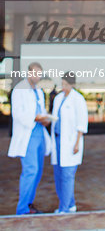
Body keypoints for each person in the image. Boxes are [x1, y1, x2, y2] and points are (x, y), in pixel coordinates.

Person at [8, 62, 51, 215]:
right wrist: (35, 117)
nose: (37, 76)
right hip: (28, 134)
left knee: (37, 171)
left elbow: (41, 109)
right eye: (35, 73)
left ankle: (29, 204)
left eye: (39, 73)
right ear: (29, 73)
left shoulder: (39, 90)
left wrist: (45, 119)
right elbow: (17, 114)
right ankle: (22, 209)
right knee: (30, 170)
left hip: (39, 133)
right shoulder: (19, 89)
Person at [51, 71, 88, 214]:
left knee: (67, 175)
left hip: (71, 142)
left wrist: (77, 143)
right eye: (62, 83)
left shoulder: (78, 99)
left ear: (72, 84)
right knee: (59, 175)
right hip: (58, 141)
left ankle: (64, 209)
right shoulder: (59, 98)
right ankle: (70, 205)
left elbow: (81, 123)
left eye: (66, 84)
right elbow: (55, 118)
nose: (63, 86)